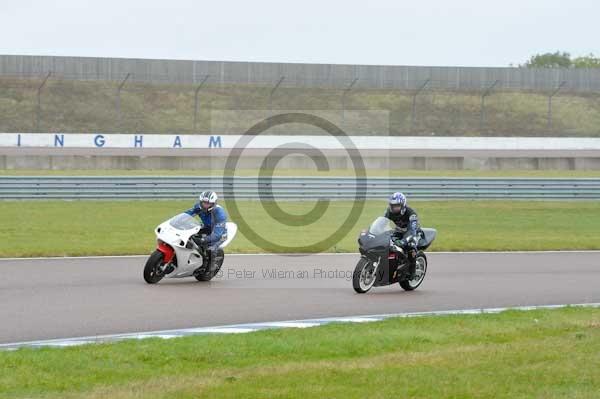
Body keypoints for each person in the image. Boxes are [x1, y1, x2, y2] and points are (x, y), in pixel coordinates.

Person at [185, 191, 228, 268]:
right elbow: (186, 214)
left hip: (219, 233)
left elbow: (217, 235)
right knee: (188, 236)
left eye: (208, 203)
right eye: (204, 202)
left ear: (213, 203)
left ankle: (211, 267)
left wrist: (202, 240)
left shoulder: (219, 213)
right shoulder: (198, 207)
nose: (205, 205)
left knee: (211, 249)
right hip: (207, 227)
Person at [385, 192, 421, 279]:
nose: (395, 208)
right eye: (393, 206)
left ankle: (412, 272)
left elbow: (412, 231)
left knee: (411, 246)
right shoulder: (389, 212)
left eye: (397, 206)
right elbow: (383, 222)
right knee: (387, 241)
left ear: (403, 205)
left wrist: (403, 241)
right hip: (399, 231)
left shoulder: (411, 214)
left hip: (412, 232)